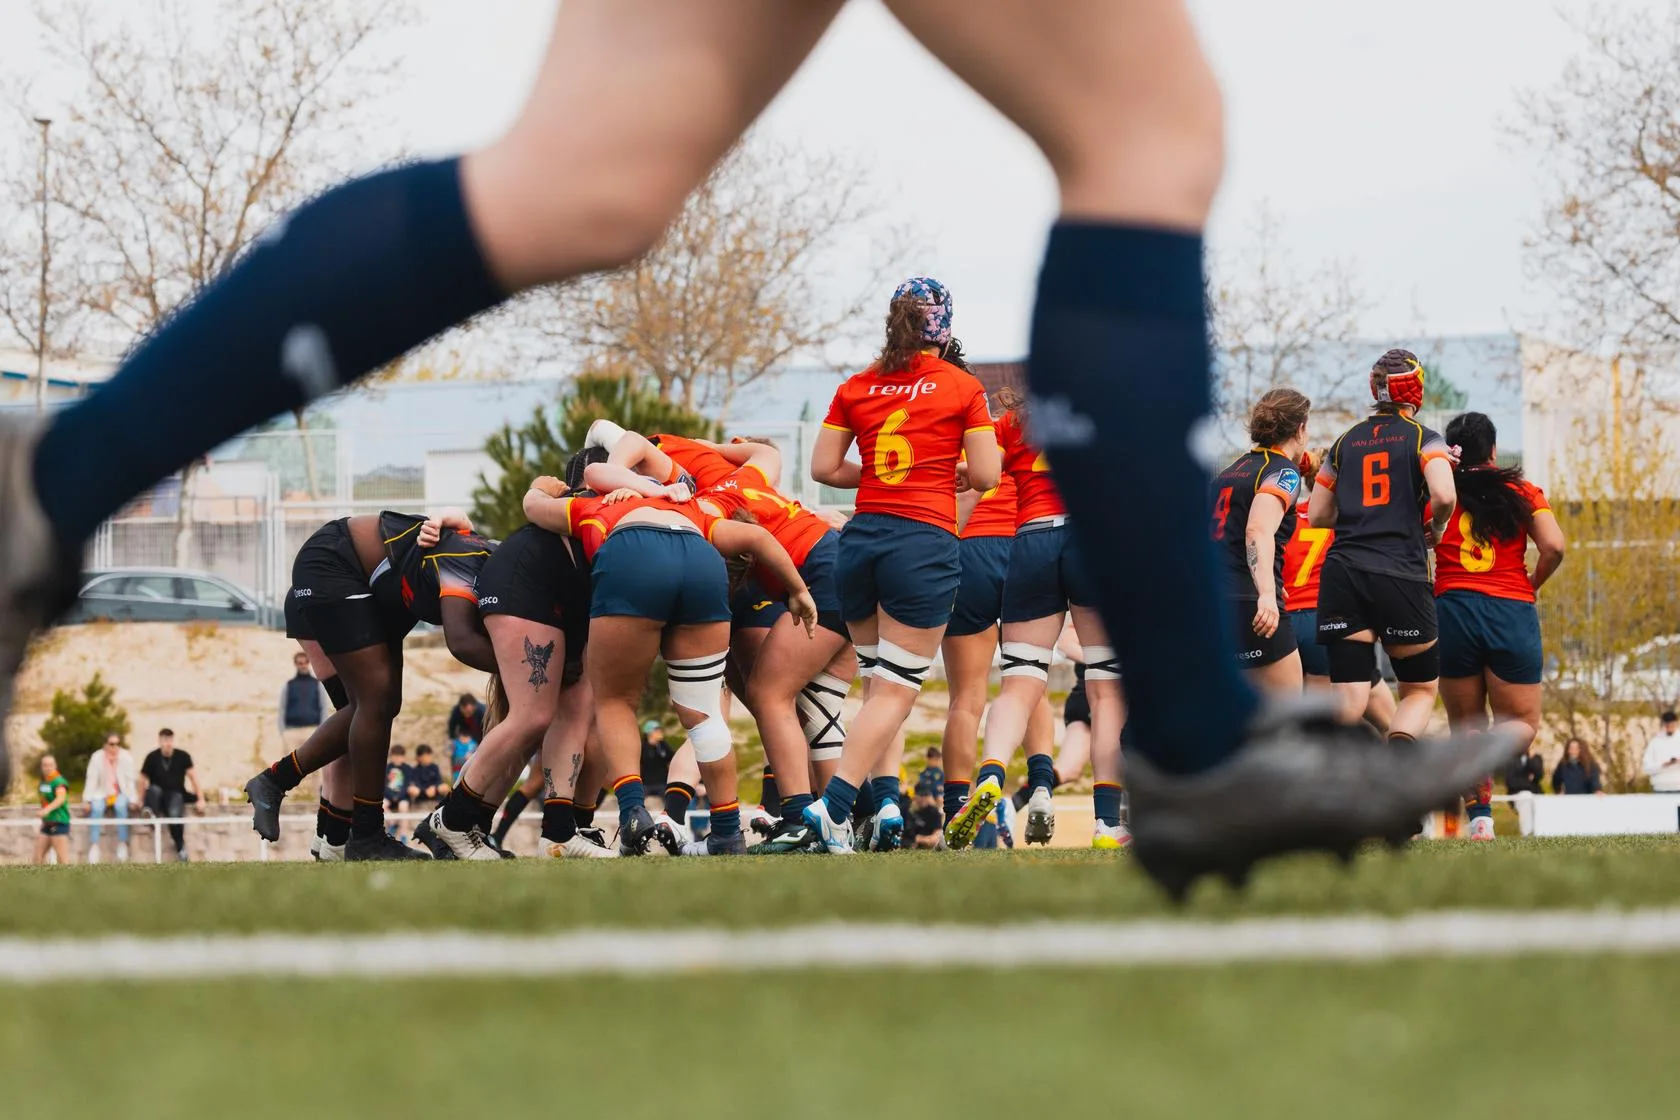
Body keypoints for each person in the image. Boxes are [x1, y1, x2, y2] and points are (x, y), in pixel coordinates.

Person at [0, 0, 1518, 894]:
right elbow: (938, 477)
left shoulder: (853, 405)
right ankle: (1193, 740)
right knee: (1143, 130)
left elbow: (857, 478)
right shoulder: (872, 416)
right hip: (896, 560)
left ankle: (53, 483)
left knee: (585, 179)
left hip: (846, 558)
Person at [803, 278, 1001, 854]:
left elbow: (822, 467)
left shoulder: (857, 384)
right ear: (945, 326)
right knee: (895, 694)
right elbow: (987, 476)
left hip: (862, 540)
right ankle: (834, 809)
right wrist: (938, 473)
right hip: (922, 544)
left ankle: (885, 805)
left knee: (877, 688)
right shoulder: (963, 386)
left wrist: (889, 474)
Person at [522, 475, 816, 855]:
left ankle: (632, 812)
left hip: (633, 552)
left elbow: (533, 508)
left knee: (615, 702)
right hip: (700, 557)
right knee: (705, 712)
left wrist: (541, 487)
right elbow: (758, 538)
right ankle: (727, 831)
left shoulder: (598, 504)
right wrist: (799, 590)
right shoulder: (694, 508)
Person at [244, 511, 496, 860]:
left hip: (366, 590)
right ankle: (358, 835)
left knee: (374, 708)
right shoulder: (469, 563)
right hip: (333, 568)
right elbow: (462, 641)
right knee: (372, 705)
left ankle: (328, 832)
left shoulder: (481, 565)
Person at [944, 382, 1123, 852]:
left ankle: (990, 774)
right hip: (1091, 541)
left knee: (1020, 683)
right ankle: (1106, 824)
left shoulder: (1014, 422)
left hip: (1030, 541)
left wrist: (959, 474)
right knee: (1106, 691)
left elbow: (981, 474)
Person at [417, 512, 605, 861]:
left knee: (531, 724)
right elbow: (459, 641)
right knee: (532, 717)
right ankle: (452, 818)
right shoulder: (468, 553)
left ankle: (476, 825)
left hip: (534, 602)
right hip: (519, 602)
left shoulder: (500, 545)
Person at [1310, 351, 1457, 746]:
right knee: (1419, 692)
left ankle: (1327, 777)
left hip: (1343, 574)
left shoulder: (1343, 443)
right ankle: (1400, 760)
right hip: (1399, 572)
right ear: (1416, 386)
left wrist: (1362, 515)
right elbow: (1444, 493)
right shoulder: (1425, 438)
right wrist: (1436, 525)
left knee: (1349, 695)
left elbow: (1317, 515)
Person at [1433, 411, 1566, 840]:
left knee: (1465, 724)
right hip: (1509, 607)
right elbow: (1554, 546)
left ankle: (1481, 821)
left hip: (1451, 607)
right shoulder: (1523, 490)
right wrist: (1532, 583)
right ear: (1493, 449)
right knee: (1522, 723)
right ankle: (1480, 763)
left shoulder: (1438, 491)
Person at [939, 391, 1016, 838]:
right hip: (1021, 547)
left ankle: (955, 806)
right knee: (1027, 684)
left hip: (968, 551)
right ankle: (1038, 784)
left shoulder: (947, 435)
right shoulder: (1016, 430)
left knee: (965, 699)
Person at [1281, 451, 1398, 733]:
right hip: (1329, 620)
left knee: (1308, 716)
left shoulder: (1287, 518)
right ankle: (1407, 765)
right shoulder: (1346, 519)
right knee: (1387, 722)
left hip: (1288, 622)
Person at [1211, 389, 1310, 694]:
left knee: (1242, 717)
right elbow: (1257, 530)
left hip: (1215, 601)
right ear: (1300, 429)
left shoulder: (1228, 473)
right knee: (1291, 716)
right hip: (1251, 603)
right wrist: (1266, 592)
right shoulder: (1283, 472)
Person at [138, 728, 202, 863]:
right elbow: (142, 779)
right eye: (164, 741)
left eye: (169, 741)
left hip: (175, 793)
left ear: (173, 741)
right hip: (157, 796)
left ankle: (181, 848)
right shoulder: (152, 757)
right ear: (160, 741)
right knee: (153, 790)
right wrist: (140, 799)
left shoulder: (183, 756)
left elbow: (193, 777)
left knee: (174, 814)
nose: (167, 744)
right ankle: (150, 815)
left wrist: (200, 798)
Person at [83, 733, 138, 864]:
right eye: (111, 744)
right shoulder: (96, 757)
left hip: (120, 793)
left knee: (120, 807)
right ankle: (94, 845)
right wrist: (86, 799)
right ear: (105, 745)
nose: (115, 747)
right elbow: (91, 779)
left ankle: (122, 844)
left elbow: (131, 781)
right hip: (101, 793)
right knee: (96, 808)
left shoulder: (126, 757)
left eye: (117, 744)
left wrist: (133, 799)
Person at [279, 651, 331, 754]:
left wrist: (321, 732)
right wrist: (283, 732)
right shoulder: (289, 685)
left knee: (316, 765)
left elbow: (323, 707)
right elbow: (282, 708)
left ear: (309, 663)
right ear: (296, 664)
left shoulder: (317, 684)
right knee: (292, 768)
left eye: (305, 662)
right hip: (292, 732)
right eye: (300, 663)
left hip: (312, 731)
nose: (303, 665)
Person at [33, 754, 71, 865]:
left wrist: (47, 810)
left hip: (58, 822)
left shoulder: (59, 782)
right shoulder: (43, 782)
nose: (48, 768)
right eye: (45, 765)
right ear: (41, 767)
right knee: (37, 858)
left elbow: (61, 798)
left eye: (50, 765)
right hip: (47, 823)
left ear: (55, 766)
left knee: (62, 860)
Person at [1643, 711, 1680, 793]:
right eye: (1667, 725)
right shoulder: (1655, 742)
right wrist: (1662, 765)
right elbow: (1647, 768)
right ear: (1663, 725)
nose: (1670, 727)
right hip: (1660, 788)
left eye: (1672, 725)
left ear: (1676, 724)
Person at [641, 721, 673, 795]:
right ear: (649, 733)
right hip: (646, 784)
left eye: (659, 729)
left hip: (662, 783)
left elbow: (672, 758)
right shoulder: (642, 747)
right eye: (656, 730)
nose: (659, 732)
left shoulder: (663, 745)